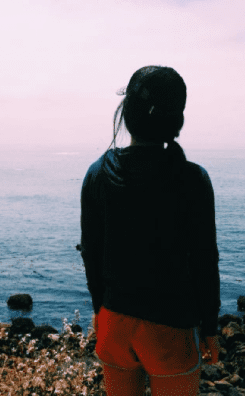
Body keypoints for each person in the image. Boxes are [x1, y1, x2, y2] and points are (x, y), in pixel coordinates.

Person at [80, 65, 221, 396]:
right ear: (177, 121)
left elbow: (91, 252)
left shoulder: (98, 173)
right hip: (170, 329)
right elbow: (204, 259)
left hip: (115, 322)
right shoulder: (192, 180)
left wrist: (99, 309)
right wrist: (210, 328)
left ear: (127, 112)